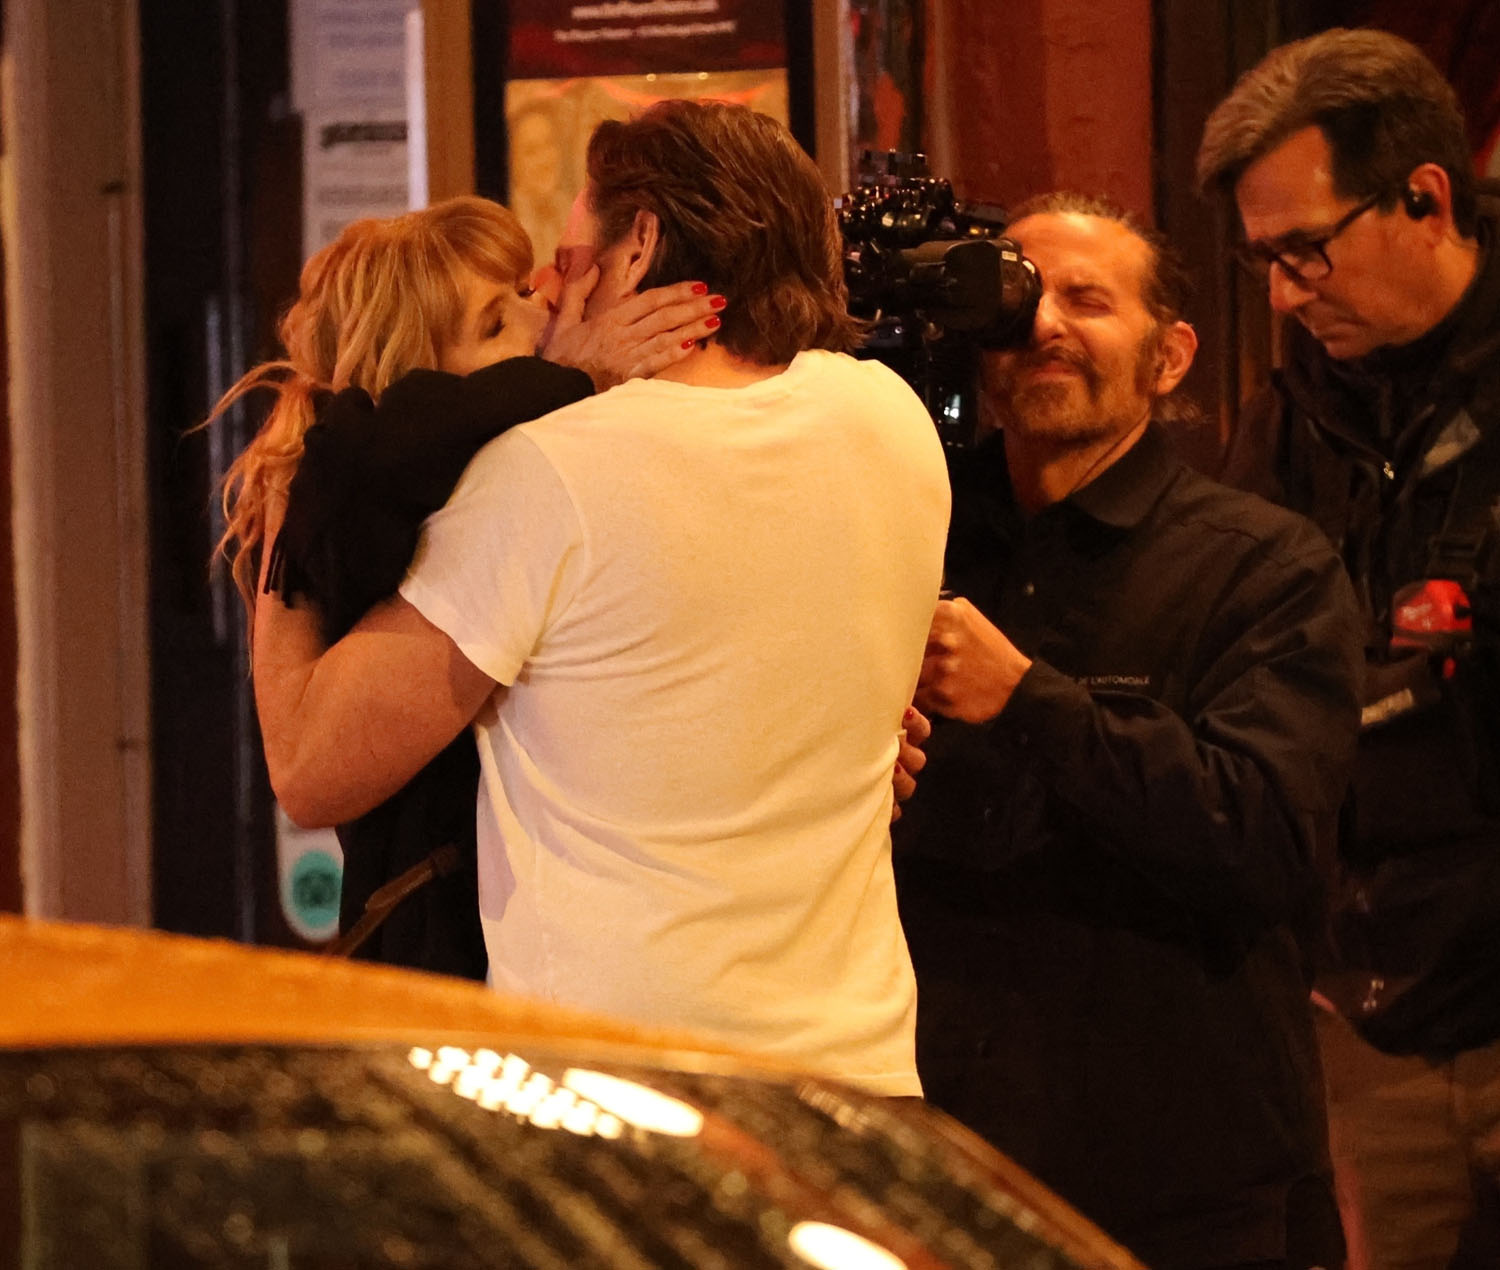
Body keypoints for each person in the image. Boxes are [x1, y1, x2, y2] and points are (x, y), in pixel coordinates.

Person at [248, 100, 951, 1092]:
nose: (553, 291)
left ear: (641, 246)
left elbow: (313, 769)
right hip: (860, 1073)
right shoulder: (886, 415)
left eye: (569, 258)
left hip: (627, 1091)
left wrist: (282, 511)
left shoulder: (548, 475)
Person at [893, 192, 1363, 1270]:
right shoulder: (910, 536)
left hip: (1186, 1187)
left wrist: (1031, 701)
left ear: (1170, 356)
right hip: (938, 1166)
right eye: (1019, 298)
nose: (1045, 326)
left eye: (1089, 301)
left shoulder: (1266, 566)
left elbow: (1264, 837)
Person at [214, 195, 723, 978]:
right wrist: (571, 376)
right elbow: (369, 453)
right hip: (452, 964)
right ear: (416, 385)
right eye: (494, 324)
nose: (542, 310)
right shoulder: (367, 492)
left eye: (522, 289)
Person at [1198, 27, 1500, 1270]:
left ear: (1425, 198)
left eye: (1305, 250)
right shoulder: (1284, 428)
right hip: (1370, 1016)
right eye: (1262, 261)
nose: (1281, 295)